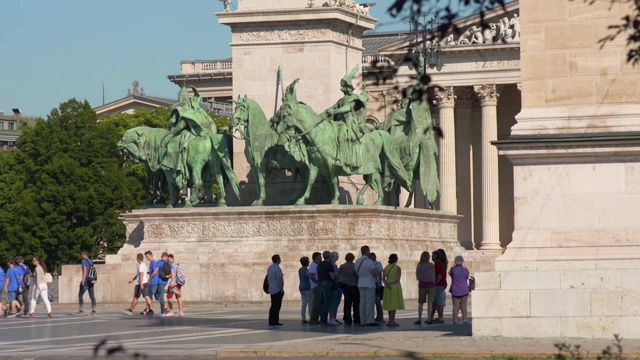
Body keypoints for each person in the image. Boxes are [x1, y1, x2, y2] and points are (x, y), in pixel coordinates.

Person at [355, 246, 378, 326]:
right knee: (370, 302)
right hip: (369, 283)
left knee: (362, 303)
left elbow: (356, 272)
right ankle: (370, 320)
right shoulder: (369, 262)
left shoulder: (357, 261)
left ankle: (363, 320)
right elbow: (373, 273)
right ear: (367, 251)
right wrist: (377, 272)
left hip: (361, 283)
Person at [382, 254, 404, 326]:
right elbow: (397, 279)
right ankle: (392, 321)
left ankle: (390, 320)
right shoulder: (397, 268)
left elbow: (383, 278)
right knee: (393, 304)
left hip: (387, 287)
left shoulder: (386, 267)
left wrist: (386, 284)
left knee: (389, 303)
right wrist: (391, 283)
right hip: (394, 287)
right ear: (396, 259)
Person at [338, 252, 360, 325]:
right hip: (354, 286)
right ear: (352, 258)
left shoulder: (342, 266)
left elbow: (339, 274)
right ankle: (356, 318)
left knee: (347, 303)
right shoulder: (355, 266)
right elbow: (357, 275)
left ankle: (347, 318)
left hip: (345, 286)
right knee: (356, 303)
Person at [317, 251, 337, 325]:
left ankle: (321, 318)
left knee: (321, 301)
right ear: (329, 256)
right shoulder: (329, 264)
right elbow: (332, 276)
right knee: (326, 302)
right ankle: (324, 319)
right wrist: (335, 276)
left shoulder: (320, 264)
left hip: (320, 282)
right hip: (327, 283)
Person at [415, 251, 435, 324]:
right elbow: (433, 275)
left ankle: (419, 318)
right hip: (430, 285)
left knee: (421, 303)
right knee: (430, 303)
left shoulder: (419, 265)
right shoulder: (431, 265)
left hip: (422, 284)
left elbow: (417, 274)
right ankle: (429, 318)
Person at [449, 256, 470, 324]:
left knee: (455, 306)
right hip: (464, 289)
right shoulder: (465, 270)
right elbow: (467, 275)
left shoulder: (453, 269)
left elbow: (449, 273)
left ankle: (455, 319)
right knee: (464, 306)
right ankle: (465, 319)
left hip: (455, 289)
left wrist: (453, 265)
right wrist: (465, 266)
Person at [77, 250, 97, 315]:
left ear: (84, 255)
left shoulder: (84, 261)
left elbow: (85, 271)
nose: (81, 256)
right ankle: (94, 309)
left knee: (80, 294)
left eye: (82, 254)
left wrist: (83, 280)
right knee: (92, 295)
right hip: (91, 280)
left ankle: (81, 308)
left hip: (86, 280)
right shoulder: (90, 261)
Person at [267, 254, 284, 326]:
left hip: (271, 289)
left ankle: (271, 321)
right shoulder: (277, 268)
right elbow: (279, 279)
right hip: (277, 289)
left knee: (273, 306)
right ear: (278, 259)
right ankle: (275, 321)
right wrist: (281, 289)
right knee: (277, 306)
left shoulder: (270, 267)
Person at [429, 251, 447, 324]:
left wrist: (435, 284)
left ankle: (440, 318)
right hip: (440, 285)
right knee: (436, 302)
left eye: (433, 256)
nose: (432, 257)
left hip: (438, 285)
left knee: (438, 303)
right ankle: (432, 317)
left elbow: (439, 276)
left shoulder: (438, 265)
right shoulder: (439, 264)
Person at [369, 252, 384, 323]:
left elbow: (379, 272)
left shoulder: (378, 264)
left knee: (377, 301)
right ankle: (372, 317)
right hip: (370, 283)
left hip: (376, 283)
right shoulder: (369, 264)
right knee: (371, 301)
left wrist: (380, 283)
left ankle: (379, 317)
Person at [307, 252, 322, 325]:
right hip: (315, 286)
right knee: (316, 303)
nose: (321, 258)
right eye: (320, 257)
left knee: (318, 303)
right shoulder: (313, 265)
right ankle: (313, 319)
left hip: (316, 285)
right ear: (316, 258)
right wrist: (317, 282)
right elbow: (311, 275)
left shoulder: (316, 265)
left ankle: (315, 318)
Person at [298, 256, 313, 324]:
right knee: (310, 303)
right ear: (307, 263)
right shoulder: (306, 270)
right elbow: (309, 276)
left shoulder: (300, 270)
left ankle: (303, 318)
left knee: (304, 303)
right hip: (307, 287)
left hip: (301, 287)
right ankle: (311, 317)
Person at [329, 251, 342, 324]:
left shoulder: (334, 265)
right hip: (335, 285)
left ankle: (333, 317)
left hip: (335, 285)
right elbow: (334, 275)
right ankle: (332, 317)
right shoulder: (333, 265)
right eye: (337, 255)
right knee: (334, 302)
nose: (338, 257)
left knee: (334, 302)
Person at [144, 251, 158, 315]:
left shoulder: (153, 262)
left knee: (149, 296)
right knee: (151, 296)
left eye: (147, 256)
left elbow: (155, 272)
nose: (146, 258)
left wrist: (150, 279)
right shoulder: (152, 263)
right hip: (153, 282)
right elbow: (152, 271)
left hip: (153, 282)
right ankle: (148, 309)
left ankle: (149, 309)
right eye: (146, 256)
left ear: (151, 255)